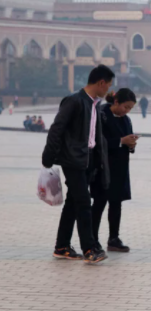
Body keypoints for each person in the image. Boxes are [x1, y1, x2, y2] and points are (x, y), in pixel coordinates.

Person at [42, 64, 114, 264]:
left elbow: (94, 135)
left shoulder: (94, 104)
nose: (108, 89)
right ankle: (90, 249)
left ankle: (62, 246)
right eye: (108, 85)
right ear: (100, 83)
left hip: (87, 160)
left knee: (74, 203)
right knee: (84, 202)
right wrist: (48, 158)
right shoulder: (74, 101)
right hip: (73, 160)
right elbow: (57, 128)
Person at [91, 88, 138, 253]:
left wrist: (131, 144)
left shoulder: (126, 120)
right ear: (116, 101)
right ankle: (92, 239)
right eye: (126, 107)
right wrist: (120, 141)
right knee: (99, 203)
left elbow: (127, 141)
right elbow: (96, 141)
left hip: (120, 167)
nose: (127, 111)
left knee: (116, 203)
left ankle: (114, 238)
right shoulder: (101, 114)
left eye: (130, 108)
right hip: (103, 167)